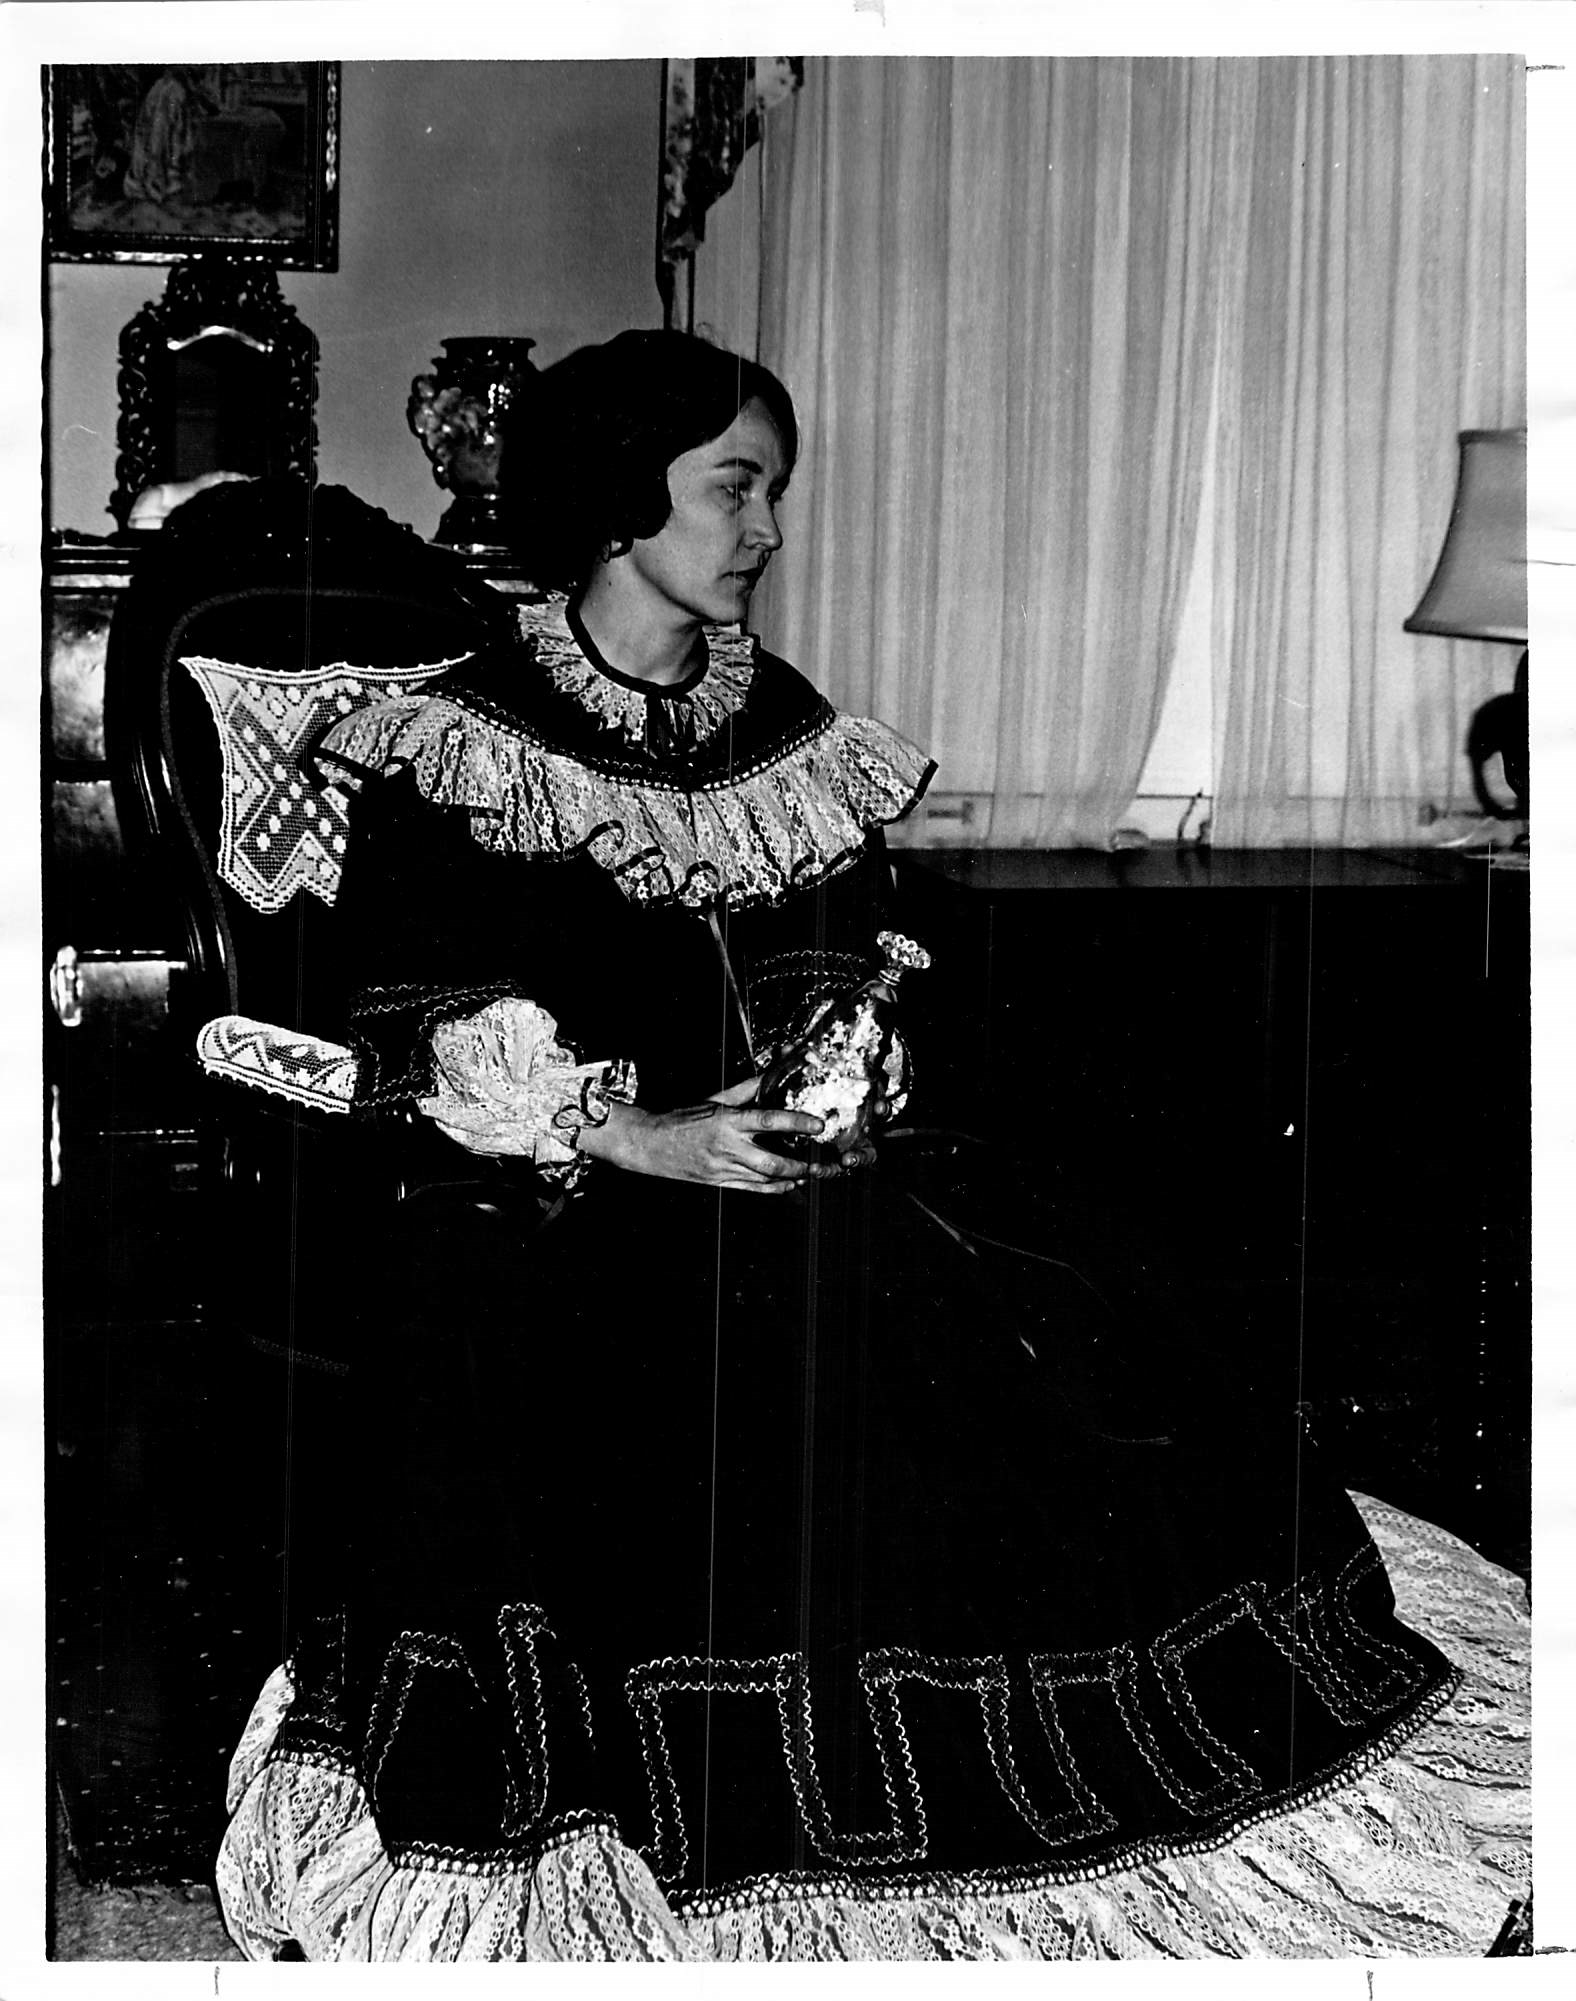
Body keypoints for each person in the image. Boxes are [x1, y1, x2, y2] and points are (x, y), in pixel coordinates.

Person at [214, 331, 1529, 1961]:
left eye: (774, 490)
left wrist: (851, 1055)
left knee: (1055, 1323)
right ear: (622, 497)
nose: (766, 528)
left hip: (788, 1167)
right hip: (559, 1192)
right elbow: (421, 1019)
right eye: (734, 488)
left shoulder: (785, 721)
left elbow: (843, 955)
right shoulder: (464, 729)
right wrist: (644, 1134)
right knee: (701, 1385)